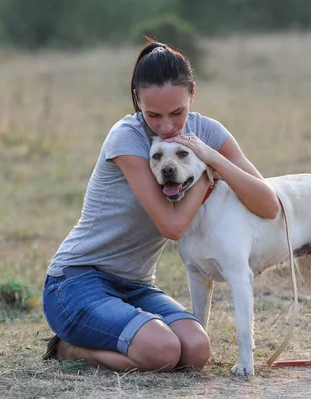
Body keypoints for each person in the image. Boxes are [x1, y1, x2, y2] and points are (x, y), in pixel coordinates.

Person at [42, 40, 279, 372]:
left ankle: (125, 333)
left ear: (192, 93)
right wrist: (207, 175)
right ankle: (72, 349)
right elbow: (172, 226)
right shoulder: (127, 137)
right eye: (153, 114)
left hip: (136, 285)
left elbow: (269, 206)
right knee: (165, 351)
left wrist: (212, 157)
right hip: (78, 281)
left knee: (196, 351)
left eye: (177, 113)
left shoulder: (208, 132)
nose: (167, 128)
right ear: (138, 100)